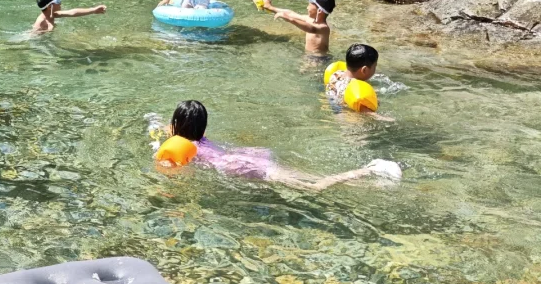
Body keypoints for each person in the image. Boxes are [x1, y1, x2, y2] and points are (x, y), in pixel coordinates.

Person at [154, 100, 401, 189]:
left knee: (316, 186)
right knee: (312, 177)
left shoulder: (184, 148)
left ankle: (369, 171)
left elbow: (170, 170)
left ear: (177, 125)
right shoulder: (199, 139)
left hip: (243, 167)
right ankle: (372, 182)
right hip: (246, 158)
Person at [262, 0, 335, 54]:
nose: (307, 7)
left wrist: (290, 19)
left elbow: (311, 28)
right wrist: (270, 7)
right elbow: (291, 13)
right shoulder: (310, 19)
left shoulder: (324, 28)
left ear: (319, 11)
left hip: (319, 58)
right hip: (309, 55)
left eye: (310, 5)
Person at [32, 0, 107, 34]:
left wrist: (93, 10)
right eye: (58, 1)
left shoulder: (52, 13)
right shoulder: (41, 22)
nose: (60, 2)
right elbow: (33, 36)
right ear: (49, 6)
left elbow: (72, 12)